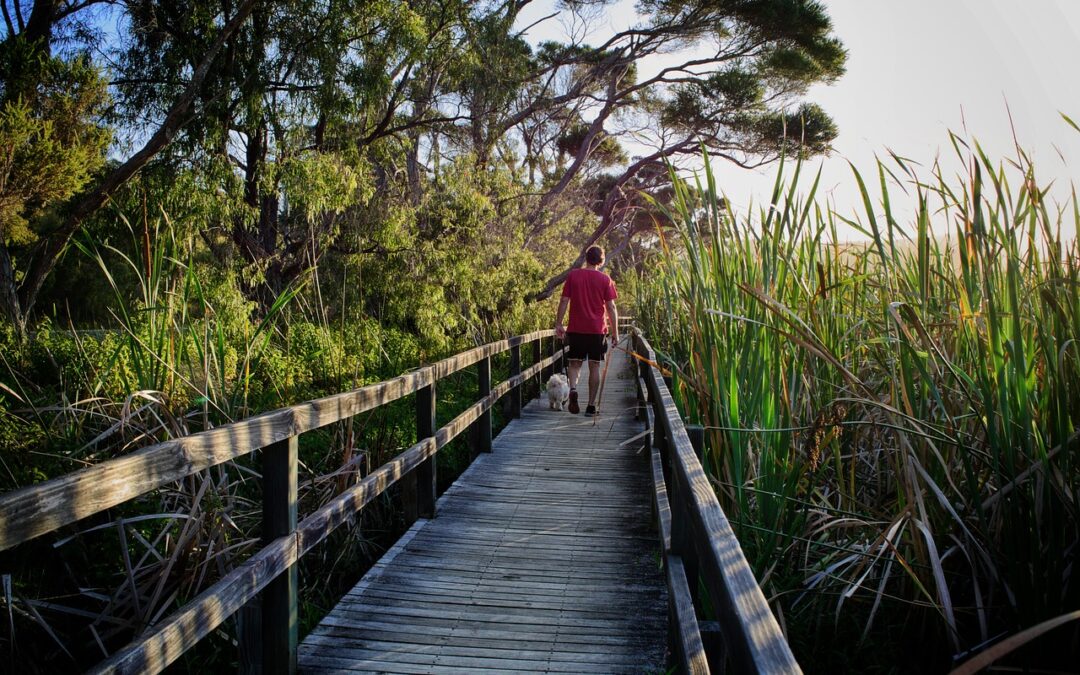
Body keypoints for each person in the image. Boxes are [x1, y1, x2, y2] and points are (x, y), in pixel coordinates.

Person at [553, 245, 619, 416]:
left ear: (586, 258)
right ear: (601, 260)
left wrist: (559, 323)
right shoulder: (606, 280)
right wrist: (615, 333)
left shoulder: (574, 275)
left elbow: (564, 300)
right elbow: (611, 307)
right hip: (597, 330)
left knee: (574, 364)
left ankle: (573, 388)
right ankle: (590, 406)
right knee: (594, 367)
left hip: (576, 329)